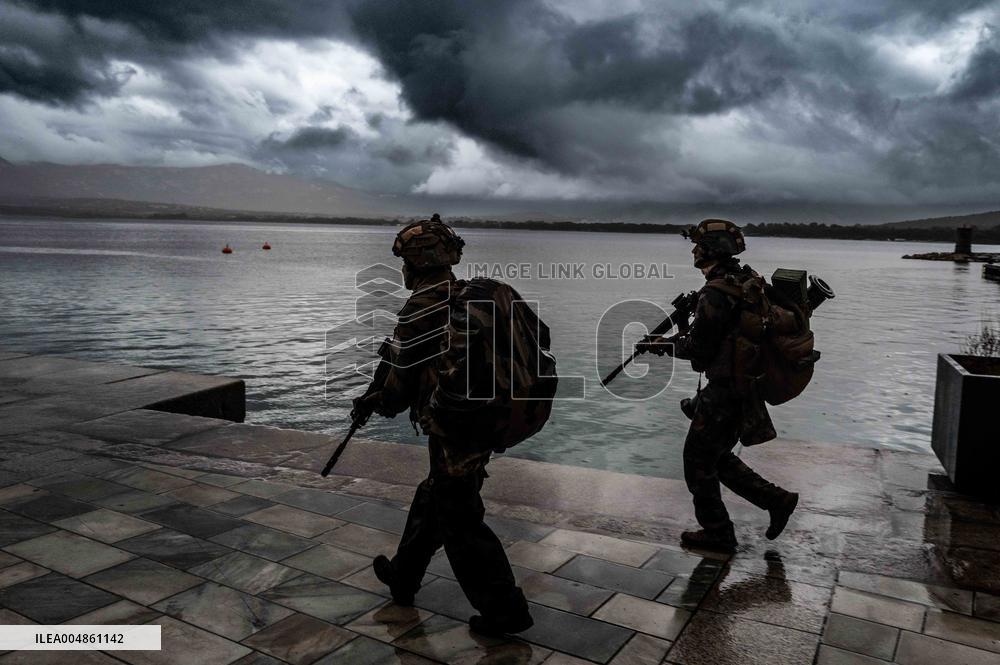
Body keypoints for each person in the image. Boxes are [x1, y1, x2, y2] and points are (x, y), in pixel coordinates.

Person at [360, 214, 533, 636]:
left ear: (415, 264)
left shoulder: (421, 305)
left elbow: (397, 391)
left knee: (460, 518)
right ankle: (404, 575)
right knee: (437, 494)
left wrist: (374, 401)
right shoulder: (465, 294)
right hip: (483, 418)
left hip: (455, 426)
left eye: (404, 262)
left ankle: (505, 611)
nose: (402, 270)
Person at [638, 219, 799, 552]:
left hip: (727, 390)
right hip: (744, 386)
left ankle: (718, 533)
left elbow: (698, 348)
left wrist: (662, 345)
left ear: (712, 249)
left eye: (699, 245)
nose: (695, 250)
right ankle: (776, 500)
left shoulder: (715, 292)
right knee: (714, 455)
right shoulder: (746, 279)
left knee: (697, 461)